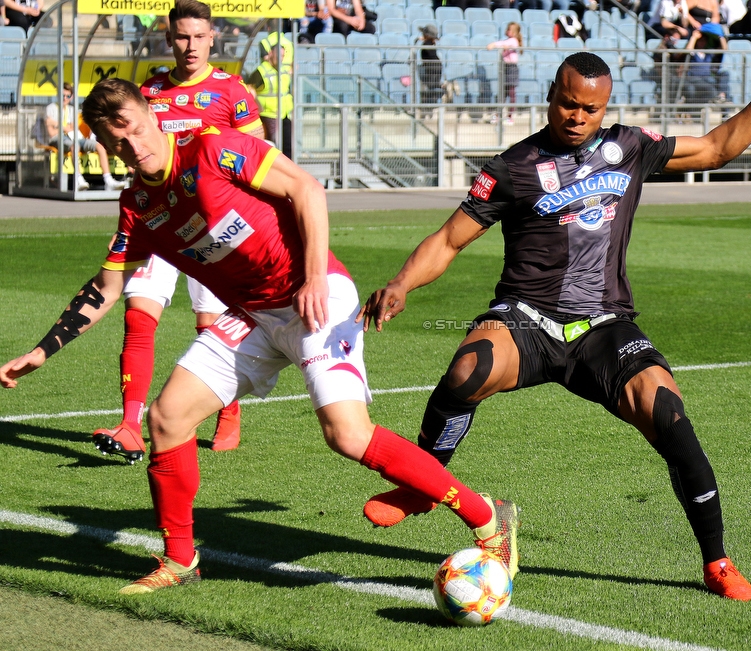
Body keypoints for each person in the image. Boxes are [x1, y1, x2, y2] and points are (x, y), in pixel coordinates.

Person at [0, 77, 521, 593]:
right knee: (167, 418)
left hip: (314, 296)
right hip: (251, 315)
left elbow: (305, 188)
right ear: (102, 144)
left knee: (347, 435)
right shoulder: (137, 207)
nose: (131, 146)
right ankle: (180, 560)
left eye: (134, 128)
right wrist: (42, 351)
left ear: (151, 115)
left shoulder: (214, 150)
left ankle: (488, 518)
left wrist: (315, 275)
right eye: (116, 140)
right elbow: (107, 287)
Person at [358, 47, 751, 602]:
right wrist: (401, 284)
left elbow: (717, 147)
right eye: (568, 104)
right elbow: (448, 239)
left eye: (590, 108)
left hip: (604, 325)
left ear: (605, 108)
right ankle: (425, 482)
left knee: (668, 413)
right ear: (551, 97)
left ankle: (717, 561)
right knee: (468, 367)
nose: (577, 117)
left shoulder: (628, 148)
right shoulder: (511, 167)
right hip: (527, 319)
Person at [90, 0, 265, 462]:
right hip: (159, 223)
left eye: (198, 36)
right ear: (169, 39)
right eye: (181, 37)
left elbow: (260, 153)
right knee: (138, 311)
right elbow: (136, 162)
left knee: (209, 324)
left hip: (215, 228)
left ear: (212, 39)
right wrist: (126, 229)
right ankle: (130, 423)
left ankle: (227, 408)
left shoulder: (231, 90)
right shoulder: (147, 94)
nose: (190, 46)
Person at [43, 83, 126, 192]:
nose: (65, 98)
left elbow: (72, 128)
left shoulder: (72, 110)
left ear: (71, 97)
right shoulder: (51, 108)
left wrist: (56, 124)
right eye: (62, 95)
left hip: (75, 137)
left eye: (67, 96)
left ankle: (108, 180)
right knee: (74, 146)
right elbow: (52, 133)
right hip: (59, 139)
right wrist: (66, 128)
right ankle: (78, 179)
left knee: (99, 147)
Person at [247, 32, 294, 158]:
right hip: (268, 115)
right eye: (279, 55)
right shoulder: (261, 71)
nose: (281, 58)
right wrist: (257, 104)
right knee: (274, 146)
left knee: (288, 146)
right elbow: (249, 87)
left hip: (284, 114)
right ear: (271, 54)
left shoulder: (284, 70)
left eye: (283, 56)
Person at [487, 22, 522, 125]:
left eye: (510, 29)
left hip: (511, 69)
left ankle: (510, 116)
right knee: (502, 93)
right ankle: (498, 115)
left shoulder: (514, 41)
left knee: (511, 93)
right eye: (508, 29)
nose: (508, 31)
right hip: (505, 68)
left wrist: (493, 44)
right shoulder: (508, 41)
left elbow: (505, 44)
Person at [417, 24, 442, 116]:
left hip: (432, 69)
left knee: (431, 87)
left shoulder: (427, 44)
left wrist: (424, 41)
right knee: (431, 87)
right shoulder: (430, 43)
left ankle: (428, 108)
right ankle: (429, 108)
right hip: (435, 67)